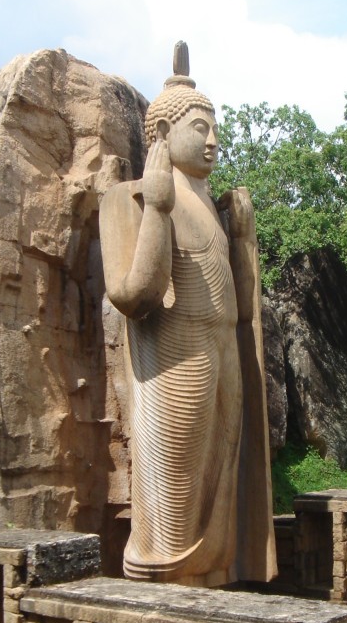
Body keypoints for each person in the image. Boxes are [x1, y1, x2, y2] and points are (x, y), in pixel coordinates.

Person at [100, 42, 277, 587]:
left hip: (222, 357)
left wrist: (243, 238)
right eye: (200, 127)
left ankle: (216, 585)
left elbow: (242, 306)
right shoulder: (127, 199)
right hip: (176, 361)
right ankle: (167, 590)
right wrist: (156, 207)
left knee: (221, 487)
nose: (213, 141)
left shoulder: (213, 209)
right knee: (175, 503)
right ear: (161, 135)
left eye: (214, 128)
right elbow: (134, 295)